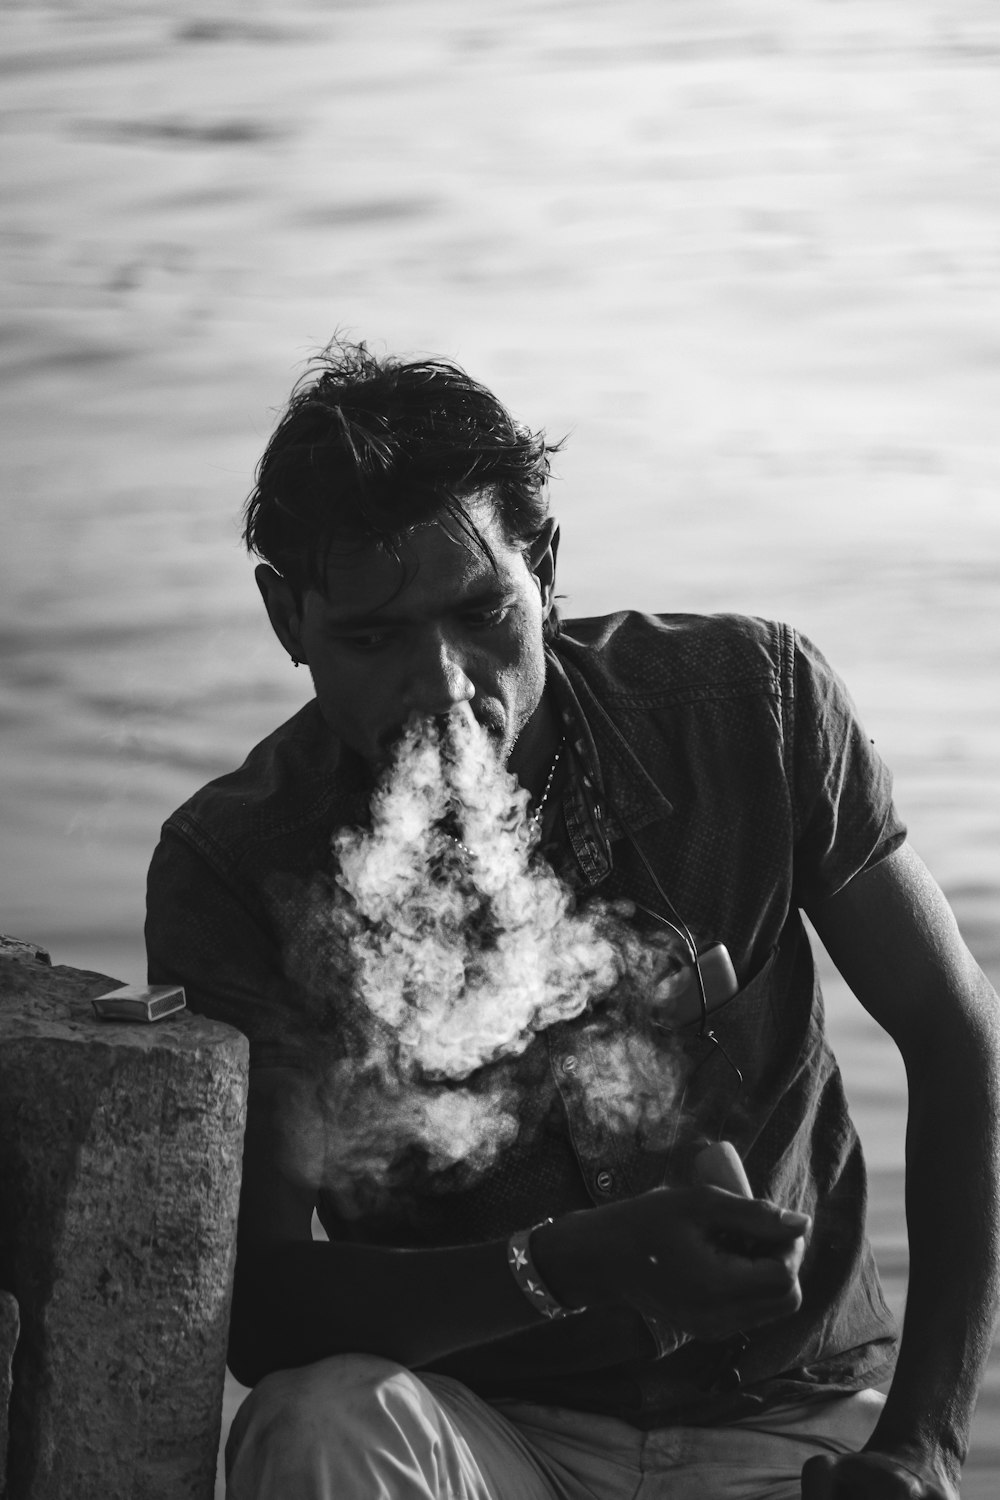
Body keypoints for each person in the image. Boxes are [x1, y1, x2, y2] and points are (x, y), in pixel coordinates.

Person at [145, 341, 1000, 1500]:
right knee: (315, 1427)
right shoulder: (238, 869)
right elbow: (264, 1307)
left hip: (795, 1422)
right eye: (372, 638)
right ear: (285, 618)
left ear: (544, 565)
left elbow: (959, 1042)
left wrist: (920, 1448)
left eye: (481, 611)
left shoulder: (751, 707)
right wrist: (571, 1267)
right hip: (482, 1433)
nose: (445, 686)